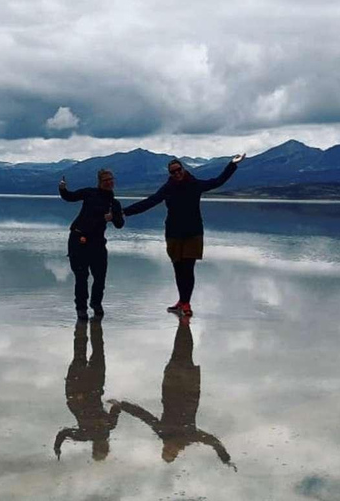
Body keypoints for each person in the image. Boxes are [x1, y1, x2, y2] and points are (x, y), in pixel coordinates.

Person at [122, 154, 245, 316]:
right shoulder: (168, 188)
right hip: (173, 233)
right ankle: (182, 301)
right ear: (170, 174)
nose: (176, 173)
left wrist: (232, 165)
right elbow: (150, 202)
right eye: (173, 172)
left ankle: (186, 303)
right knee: (178, 269)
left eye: (178, 170)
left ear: (183, 169)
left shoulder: (195, 184)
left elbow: (217, 181)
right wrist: (124, 212)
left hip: (193, 232)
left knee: (188, 268)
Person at [109, 316, 235, 469]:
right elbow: (213, 441)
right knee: (186, 354)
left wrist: (121, 405)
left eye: (165, 450)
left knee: (177, 353)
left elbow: (143, 415)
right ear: (177, 452)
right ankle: (184, 324)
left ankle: (183, 324)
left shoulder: (163, 431)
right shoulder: (189, 437)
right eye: (171, 452)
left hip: (171, 388)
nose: (169, 448)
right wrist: (225, 458)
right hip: (189, 390)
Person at [59, 169, 124, 320]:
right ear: (99, 182)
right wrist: (62, 189)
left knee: (100, 277)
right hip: (78, 239)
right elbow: (70, 197)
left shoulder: (114, 203)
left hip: (98, 243)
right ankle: (81, 308)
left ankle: (96, 304)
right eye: (105, 180)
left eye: (110, 179)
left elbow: (120, 224)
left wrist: (112, 217)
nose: (109, 182)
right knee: (81, 277)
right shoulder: (90, 193)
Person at [54, 317, 121, 461]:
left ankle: (89, 321)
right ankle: (84, 322)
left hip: (88, 388)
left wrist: (57, 447)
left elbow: (117, 407)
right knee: (82, 351)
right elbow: (63, 433)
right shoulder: (86, 435)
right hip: (78, 390)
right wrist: (57, 447)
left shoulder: (107, 427)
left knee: (94, 351)